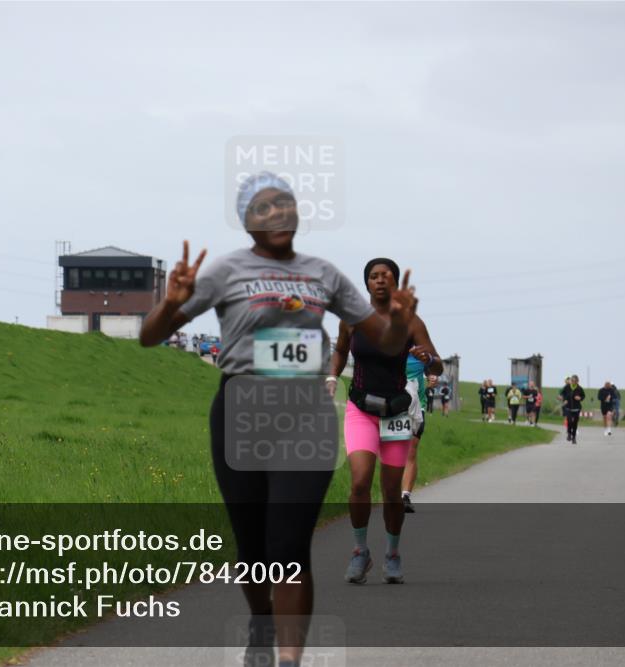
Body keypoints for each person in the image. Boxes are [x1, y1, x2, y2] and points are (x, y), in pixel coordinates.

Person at [139, 171, 417, 667]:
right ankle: (261, 624)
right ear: (247, 220)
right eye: (264, 208)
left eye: (285, 206)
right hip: (240, 411)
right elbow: (150, 336)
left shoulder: (324, 274)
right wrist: (171, 303)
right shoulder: (225, 272)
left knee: (289, 545)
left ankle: (289, 660)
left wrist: (397, 321)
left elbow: (389, 341)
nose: (277, 215)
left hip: (304, 414)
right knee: (252, 548)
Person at [330, 258, 442, 586]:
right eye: (374, 276)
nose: (380, 281)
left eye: (387, 276)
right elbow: (339, 351)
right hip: (361, 408)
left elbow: (437, 368)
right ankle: (360, 551)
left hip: (396, 413)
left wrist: (429, 360)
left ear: (394, 284)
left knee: (392, 491)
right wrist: (332, 376)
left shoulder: (409, 322)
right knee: (360, 481)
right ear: (366, 284)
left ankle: (392, 554)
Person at [402, 369, 436, 513]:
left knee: (411, 450)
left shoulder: (419, 348)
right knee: (393, 449)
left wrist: (432, 376)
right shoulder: (388, 348)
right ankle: (391, 493)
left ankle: (405, 497)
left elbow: (433, 367)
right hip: (393, 401)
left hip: (417, 406)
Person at [560, 374, 586, 444]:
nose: (573, 382)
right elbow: (563, 394)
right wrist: (564, 399)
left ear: (577, 381)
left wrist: (580, 398)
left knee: (575, 423)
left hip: (576, 408)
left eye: (575, 381)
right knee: (569, 421)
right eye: (572, 380)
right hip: (568, 407)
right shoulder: (567, 387)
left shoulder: (579, 388)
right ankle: (569, 434)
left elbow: (583, 396)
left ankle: (574, 438)